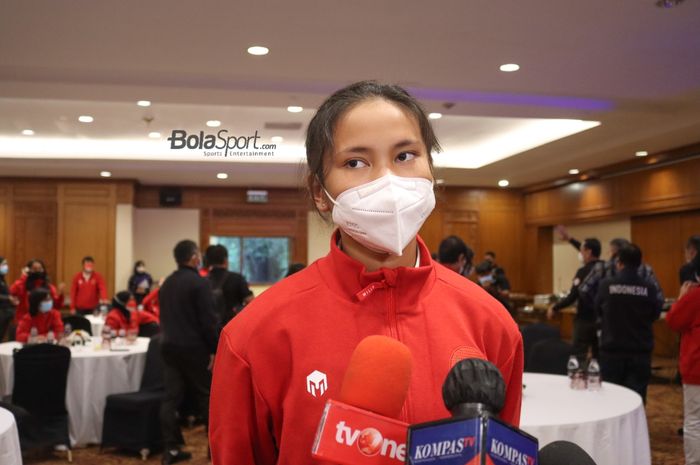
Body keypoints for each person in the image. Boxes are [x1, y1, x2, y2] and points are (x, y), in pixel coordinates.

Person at [209, 81, 523, 465]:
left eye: (406, 155)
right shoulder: (254, 335)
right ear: (319, 191)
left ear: (431, 168)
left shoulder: (490, 322)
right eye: (355, 163)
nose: (387, 182)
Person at [159, 240, 219, 464]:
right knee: (207, 397)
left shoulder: (166, 284)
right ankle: (214, 451)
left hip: (168, 346)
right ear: (194, 257)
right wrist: (215, 349)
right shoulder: (199, 283)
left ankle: (170, 449)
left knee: (170, 399)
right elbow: (208, 322)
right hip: (194, 349)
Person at [594, 244, 663, 403]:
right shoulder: (649, 288)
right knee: (637, 399)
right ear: (640, 263)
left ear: (619, 262)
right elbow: (655, 313)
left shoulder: (606, 285)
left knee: (610, 397)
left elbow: (597, 312)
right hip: (639, 351)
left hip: (612, 350)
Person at [666, 255, 700, 465]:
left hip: (697, 367)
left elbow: (674, 320)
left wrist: (680, 298)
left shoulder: (695, 296)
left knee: (695, 421)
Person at [548, 238, 604, 362]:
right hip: (602, 320)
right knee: (598, 356)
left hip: (585, 320)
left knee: (579, 354)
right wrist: (570, 239)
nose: (580, 253)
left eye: (582, 250)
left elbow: (573, 296)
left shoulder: (583, 271)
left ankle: (578, 378)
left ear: (588, 252)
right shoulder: (606, 269)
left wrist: (555, 307)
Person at [205, 245, 254, 327]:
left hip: (210, 329)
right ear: (225, 260)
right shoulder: (237, 278)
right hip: (232, 328)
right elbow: (251, 302)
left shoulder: (202, 281)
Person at [9, 259, 64, 328]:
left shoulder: (49, 287)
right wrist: (24, 277)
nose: (37, 271)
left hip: (44, 323)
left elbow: (56, 306)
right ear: (28, 270)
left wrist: (61, 295)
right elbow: (11, 293)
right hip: (24, 321)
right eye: (34, 269)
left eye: (40, 268)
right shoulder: (22, 284)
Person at [0, 257, 19, 341]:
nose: (6, 266)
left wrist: (12, 299)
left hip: (6, 310)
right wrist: (8, 298)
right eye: (4, 264)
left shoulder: (2, 278)